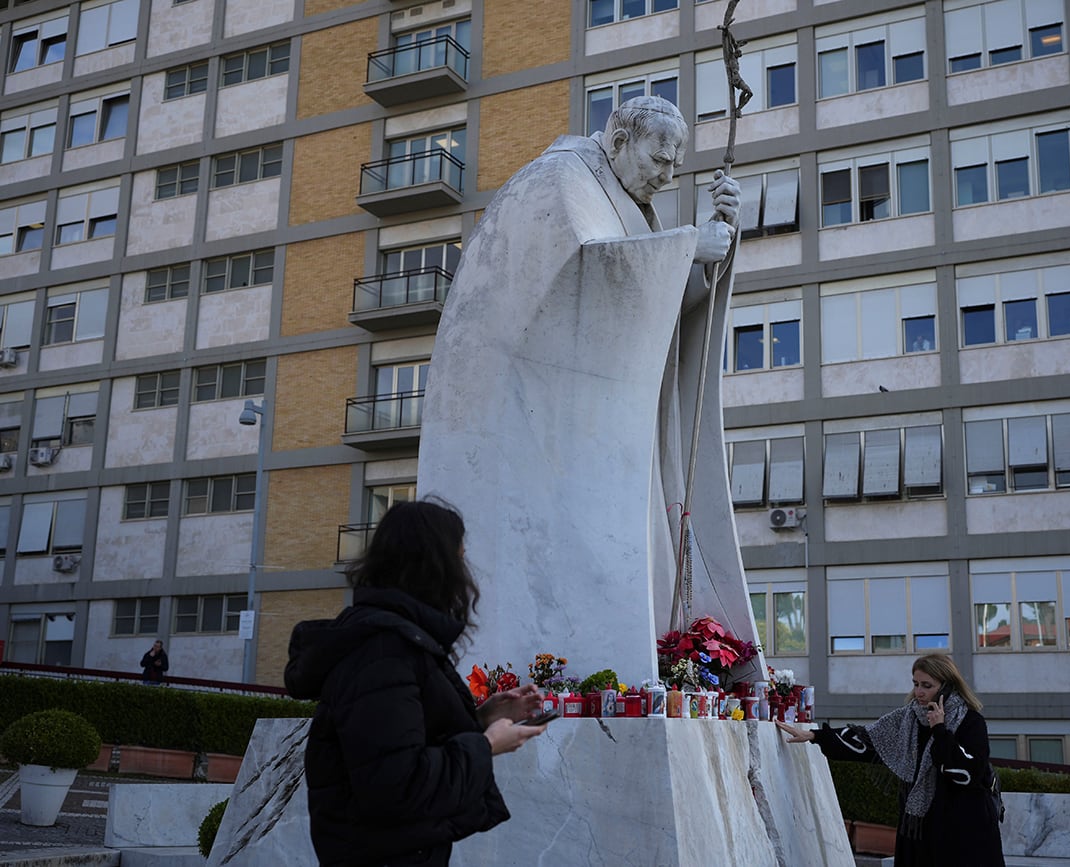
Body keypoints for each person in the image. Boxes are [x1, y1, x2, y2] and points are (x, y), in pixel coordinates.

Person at [418, 95, 762, 685]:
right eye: (658, 159)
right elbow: (580, 275)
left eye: (675, 166)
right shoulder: (559, 179)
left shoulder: (632, 206)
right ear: (619, 139)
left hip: (603, 425)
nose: (666, 174)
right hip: (537, 425)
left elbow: (662, 315)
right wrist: (685, 247)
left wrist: (714, 247)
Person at [284, 499, 548, 867]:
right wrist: (485, 746)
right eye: (459, 557)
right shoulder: (382, 652)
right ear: (435, 567)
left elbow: (402, 740)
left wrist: (483, 718)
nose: (465, 572)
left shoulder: (395, 641)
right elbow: (397, 784)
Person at [776, 653, 1005, 867]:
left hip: (964, 830)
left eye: (927, 686)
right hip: (919, 830)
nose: (919, 692)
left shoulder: (970, 721)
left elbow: (968, 772)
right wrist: (816, 735)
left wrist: (940, 730)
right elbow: (867, 739)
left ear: (946, 687)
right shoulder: (907, 719)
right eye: (916, 684)